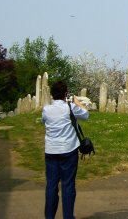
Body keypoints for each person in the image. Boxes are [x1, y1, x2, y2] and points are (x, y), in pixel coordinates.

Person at [42, 81, 89, 219]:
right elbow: (86, 114)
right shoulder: (71, 108)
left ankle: (49, 216)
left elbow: (44, 121)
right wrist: (75, 101)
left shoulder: (46, 109)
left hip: (51, 150)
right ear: (65, 93)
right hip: (68, 150)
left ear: (52, 94)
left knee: (51, 185)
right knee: (68, 185)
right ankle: (68, 216)